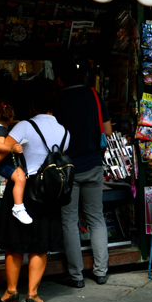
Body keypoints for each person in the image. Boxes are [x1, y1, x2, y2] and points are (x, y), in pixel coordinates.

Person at [0, 79, 71, 302]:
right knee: (39, 244)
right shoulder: (65, 132)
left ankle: (11, 291)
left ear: (32, 104)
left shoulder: (24, 126)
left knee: (15, 244)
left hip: (22, 188)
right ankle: (33, 294)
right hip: (48, 191)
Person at [54, 60, 113, 288]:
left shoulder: (59, 101)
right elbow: (107, 130)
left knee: (69, 221)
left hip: (68, 169)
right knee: (96, 218)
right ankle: (100, 272)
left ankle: (76, 276)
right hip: (93, 165)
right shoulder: (93, 95)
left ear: (60, 80)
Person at [0, 99, 30, 224]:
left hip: (4, 163)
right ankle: (18, 207)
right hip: (6, 163)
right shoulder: (0, 130)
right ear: (10, 117)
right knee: (20, 179)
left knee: (17, 179)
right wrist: (12, 148)